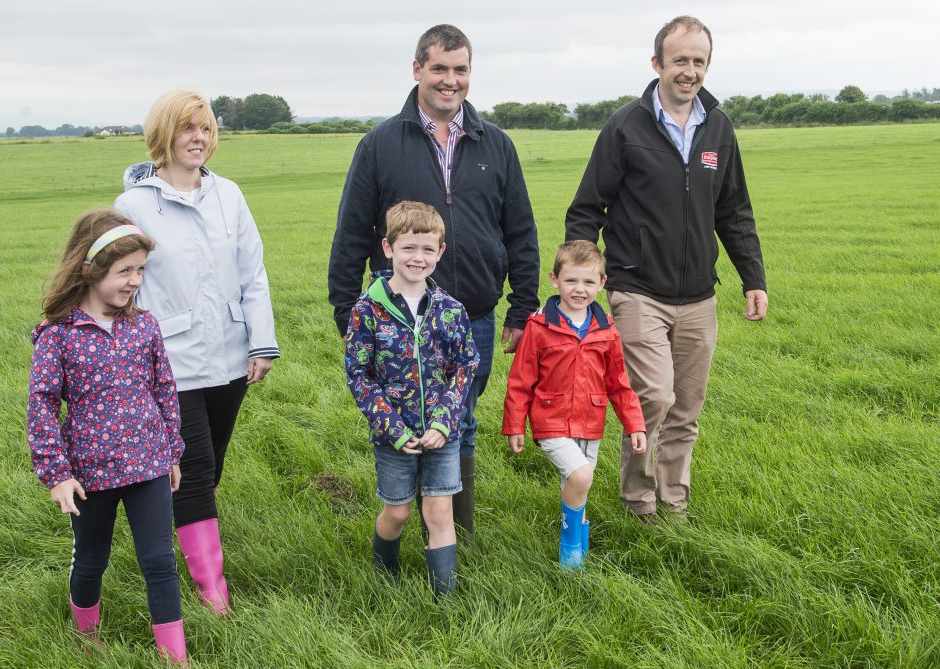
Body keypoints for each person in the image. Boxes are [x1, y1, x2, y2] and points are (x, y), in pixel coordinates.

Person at [329, 24, 540, 538]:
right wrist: (345, 312)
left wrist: (522, 306)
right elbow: (353, 231)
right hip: (398, 322)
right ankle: (408, 516)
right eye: (440, 68)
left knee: (460, 421)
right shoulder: (380, 144)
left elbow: (520, 229)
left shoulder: (497, 144)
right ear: (418, 69)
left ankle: (451, 533)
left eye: (461, 69)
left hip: (475, 315)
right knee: (406, 420)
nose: (451, 80)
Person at [565, 16, 768, 523]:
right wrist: (581, 279)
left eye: (699, 61)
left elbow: (734, 210)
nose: (690, 70)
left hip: (699, 294)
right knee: (654, 395)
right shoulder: (626, 126)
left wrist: (754, 278)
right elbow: (588, 207)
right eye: (680, 60)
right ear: (657, 63)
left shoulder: (718, 128)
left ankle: (673, 505)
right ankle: (638, 500)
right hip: (638, 289)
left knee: (687, 410)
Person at [114, 90, 279, 614]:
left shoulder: (229, 194)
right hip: (171, 361)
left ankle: (162, 535)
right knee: (197, 468)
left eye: (206, 129)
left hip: (231, 355)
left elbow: (253, 273)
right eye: (188, 129)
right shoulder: (134, 205)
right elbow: (123, 284)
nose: (199, 139)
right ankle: (213, 593)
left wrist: (261, 342)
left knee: (208, 468)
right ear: (164, 135)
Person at [27, 208, 187, 666]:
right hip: (88, 475)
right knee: (91, 559)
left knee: (159, 560)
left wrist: (172, 452)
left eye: (140, 269)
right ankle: (87, 640)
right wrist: (56, 474)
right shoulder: (57, 335)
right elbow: (42, 404)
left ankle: (175, 660)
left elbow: (164, 390)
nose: (134, 280)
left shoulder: (145, 327)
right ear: (90, 269)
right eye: (124, 271)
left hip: (149, 465)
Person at [344, 201, 478, 597]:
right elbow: (358, 374)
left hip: (442, 434)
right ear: (388, 248)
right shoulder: (367, 310)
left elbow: (465, 367)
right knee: (399, 512)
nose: (417, 258)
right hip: (393, 437)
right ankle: (384, 579)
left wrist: (443, 422)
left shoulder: (451, 311)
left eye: (426, 250)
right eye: (408, 248)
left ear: (440, 252)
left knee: (439, 511)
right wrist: (394, 430)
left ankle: (446, 599)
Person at [502, 241, 647, 567]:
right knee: (581, 476)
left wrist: (634, 423)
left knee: (577, 482)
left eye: (588, 282)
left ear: (601, 283)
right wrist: (515, 425)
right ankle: (570, 548)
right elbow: (520, 380)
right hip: (550, 419)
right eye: (571, 281)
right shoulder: (539, 327)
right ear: (554, 280)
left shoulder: (607, 330)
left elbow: (619, 383)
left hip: (590, 421)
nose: (579, 290)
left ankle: (579, 535)